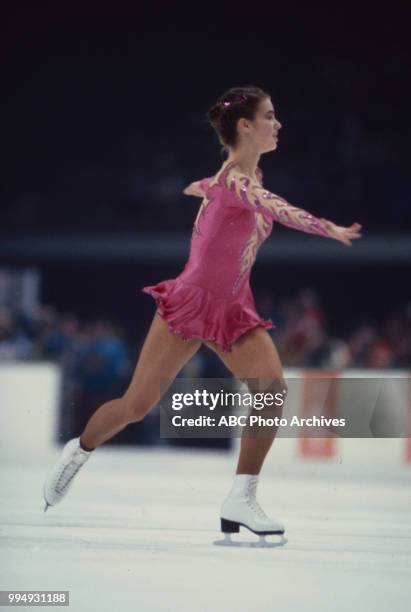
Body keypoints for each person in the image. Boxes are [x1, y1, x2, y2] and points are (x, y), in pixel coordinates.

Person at [43, 85, 362, 543]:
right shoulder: (237, 180)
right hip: (191, 302)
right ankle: (79, 451)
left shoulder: (240, 179)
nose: (279, 123)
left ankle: (242, 496)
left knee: (271, 390)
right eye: (270, 116)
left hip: (233, 307)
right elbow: (274, 207)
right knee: (135, 406)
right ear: (245, 126)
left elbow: (229, 195)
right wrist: (324, 227)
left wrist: (202, 187)